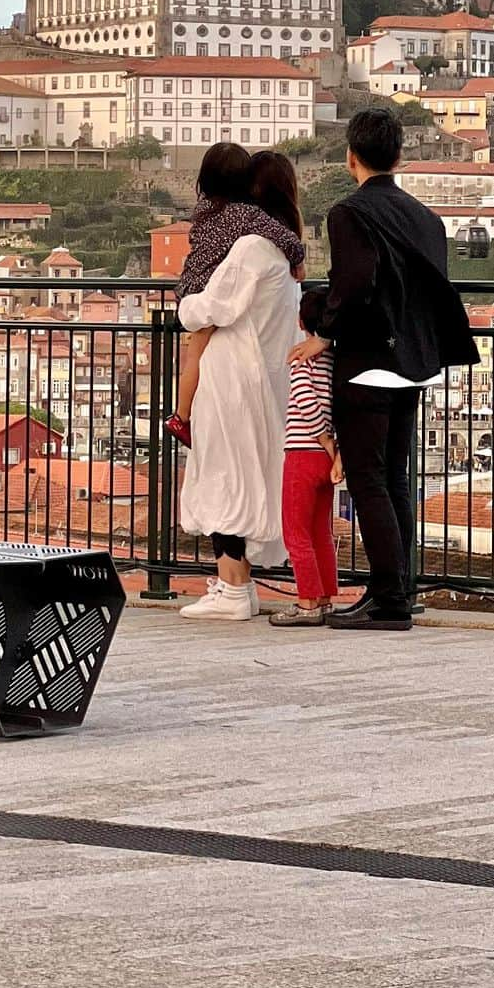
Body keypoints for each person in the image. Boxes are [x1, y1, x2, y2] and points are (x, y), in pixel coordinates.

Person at [290, 106, 479, 631]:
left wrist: (323, 329)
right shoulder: (427, 218)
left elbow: (357, 284)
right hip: (415, 361)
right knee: (394, 476)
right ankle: (399, 590)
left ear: (351, 157)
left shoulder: (349, 213)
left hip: (369, 360)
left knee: (367, 478)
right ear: (398, 156)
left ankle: (387, 597)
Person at [177, 150, 303, 622]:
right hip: (267, 379)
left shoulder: (250, 250)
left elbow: (208, 308)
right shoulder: (287, 255)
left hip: (231, 377)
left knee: (223, 476)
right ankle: (240, 586)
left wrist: (185, 305)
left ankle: (231, 588)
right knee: (248, 477)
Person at [166, 143, 305, 449]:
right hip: (211, 291)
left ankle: (181, 414)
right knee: (199, 352)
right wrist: (298, 257)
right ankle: (182, 415)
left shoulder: (203, 211)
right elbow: (287, 238)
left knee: (194, 355)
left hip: (192, 285)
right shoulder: (248, 219)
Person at [269, 286, 343, 627]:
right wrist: (333, 447)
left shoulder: (303, 357)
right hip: (325, 461)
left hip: (302, 451)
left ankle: (307, 601)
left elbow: (304, 400)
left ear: (301, 321)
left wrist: (324, 439)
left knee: (295, 531)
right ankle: (326, 596)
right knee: (320, 531)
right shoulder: (334, 360)